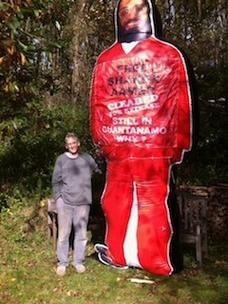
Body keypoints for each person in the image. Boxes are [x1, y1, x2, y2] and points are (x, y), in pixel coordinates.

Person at [90, 0, 195, 275]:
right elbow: (98, 103)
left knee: (154, 203)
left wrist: (179, 144)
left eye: (138, 9)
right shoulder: (106, 59)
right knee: (114, 200)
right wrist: (102, 140)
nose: (130, 16)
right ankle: (117, 252)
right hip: (119, 149)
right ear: (117, 17)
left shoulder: (168, 54)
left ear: (149, 14)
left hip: (155, 150)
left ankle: (156, 259)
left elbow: (181, 101)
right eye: (124, 11)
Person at [52, 132, 100, 276]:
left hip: (83, 203)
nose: (72, 146)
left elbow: (97, 170)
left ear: (78, 143)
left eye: (74, 143)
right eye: (69, 144)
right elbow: (55, 181)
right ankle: (62, 263)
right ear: (66, 146)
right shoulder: (61, 160)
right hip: (65, 202)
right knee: (64, 234)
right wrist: (59, 198)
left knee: (81, 234)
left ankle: (78, 261)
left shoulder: (87, 159)